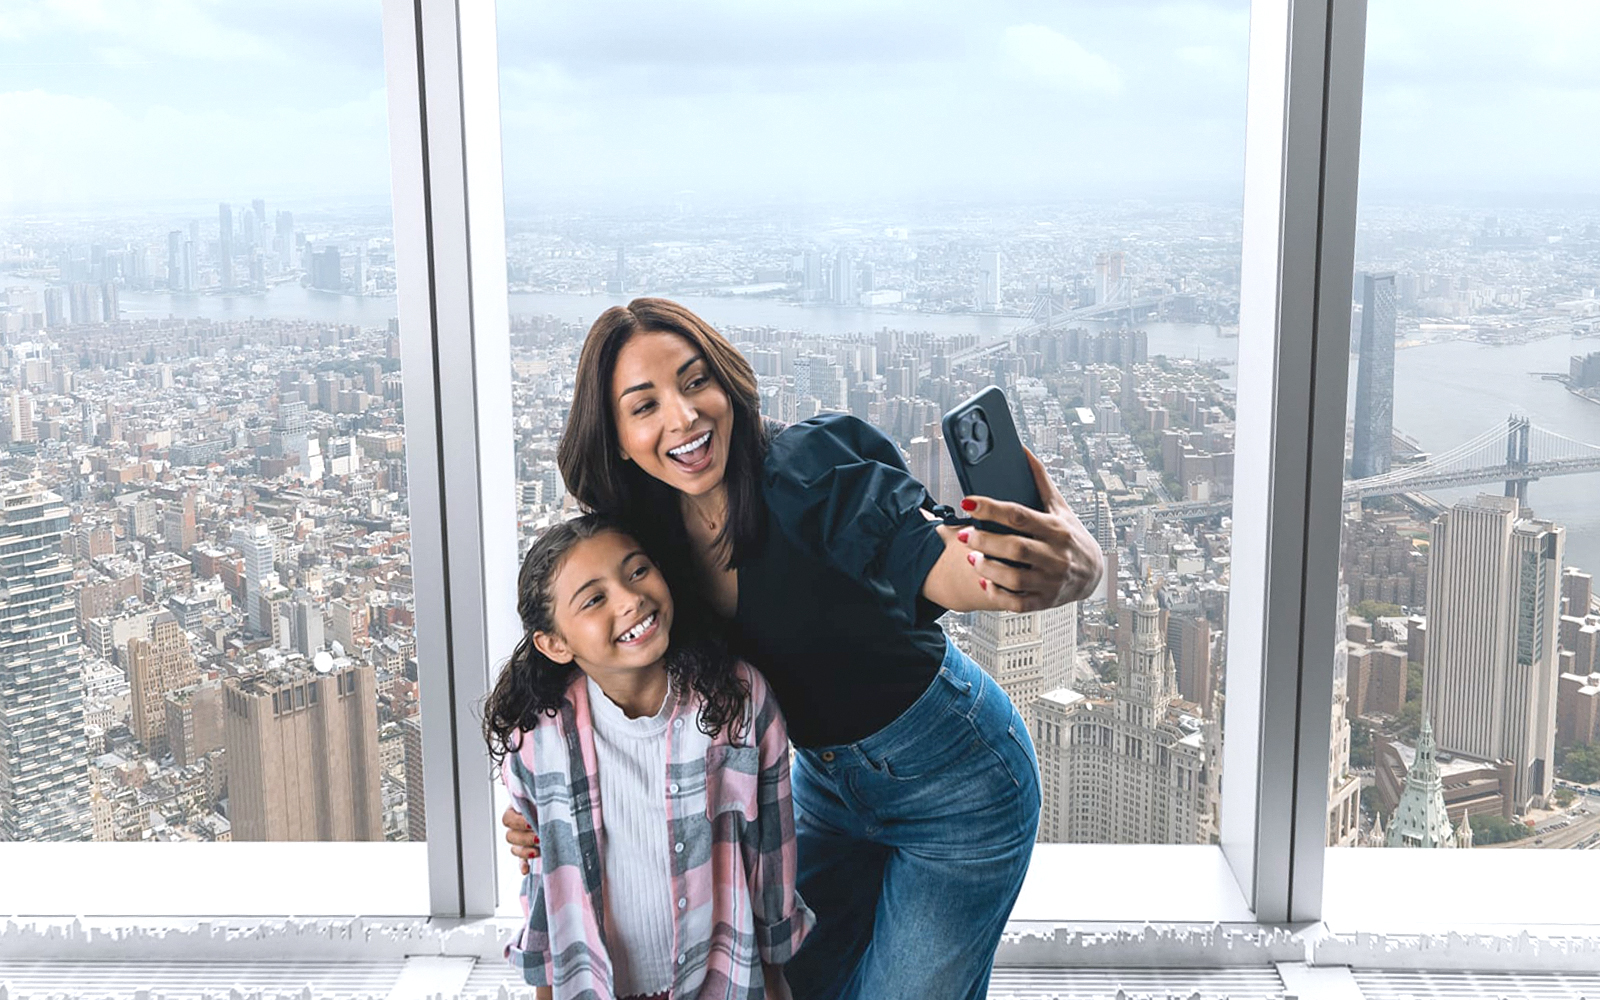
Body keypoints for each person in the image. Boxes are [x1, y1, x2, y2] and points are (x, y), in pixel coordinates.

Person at [504, 298, 1103, 1000]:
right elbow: (584, 661)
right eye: (645, 406)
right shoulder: (641, 544)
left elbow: (931, 557)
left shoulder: (807, 472)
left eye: (696, 382)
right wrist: (539, 806)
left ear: (727, 383)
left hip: (959, 784)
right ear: (616, 435)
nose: (684, 416)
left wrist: (1063, 564)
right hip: (820, 790)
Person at [485, 513, 813, 1000]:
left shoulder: (740, 704)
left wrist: (775, 977)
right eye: (594, 599)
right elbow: (545, 887)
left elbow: (771, 859)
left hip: (722, 980)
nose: (630, 598)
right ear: (555, 644)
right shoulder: (539, 739)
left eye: (637, 571)